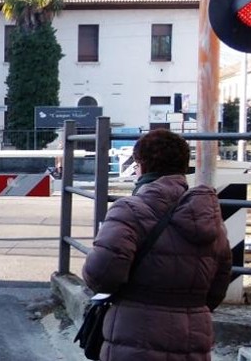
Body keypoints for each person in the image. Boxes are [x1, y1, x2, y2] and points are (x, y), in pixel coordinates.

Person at [82, 129, 232, 360]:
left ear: (141, 166)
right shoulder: (208, 216)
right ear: (183, 166)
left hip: (134, 335)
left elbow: (101, 274)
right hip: (193, 338)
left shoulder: (129, 210)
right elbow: (217, 289)